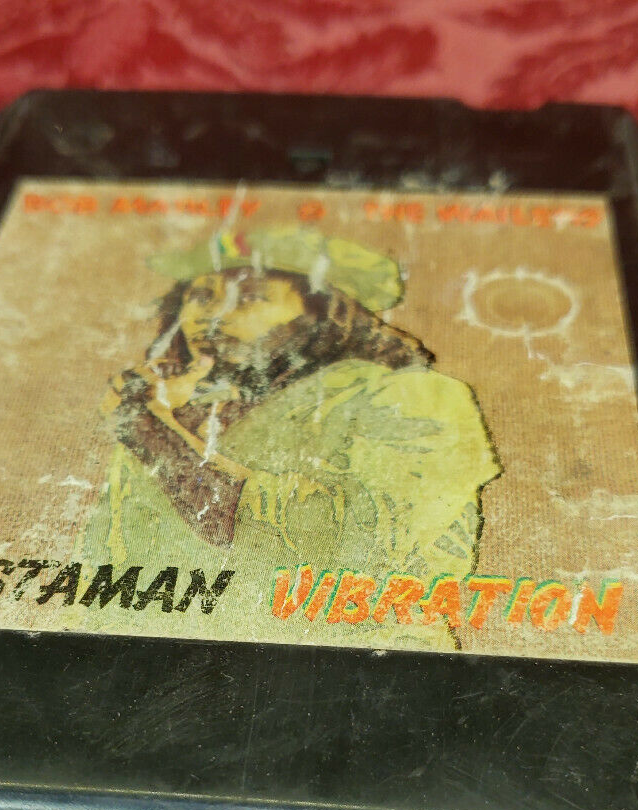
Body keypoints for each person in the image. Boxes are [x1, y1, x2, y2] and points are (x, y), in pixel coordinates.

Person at [71, 225, 500, 651]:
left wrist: (157, 437)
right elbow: (107, 566)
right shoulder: (181, 411)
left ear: (324, 313)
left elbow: (346, 550)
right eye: (200, 296)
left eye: (250, 297)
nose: (211, 314)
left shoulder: (412, 396)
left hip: (351, 661)